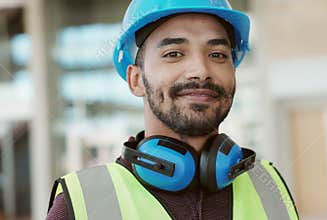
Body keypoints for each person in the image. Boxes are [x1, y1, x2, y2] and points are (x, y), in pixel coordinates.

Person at [47, 0, 299, 219]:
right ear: (136, 80)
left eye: (218, 55)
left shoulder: (271, 189)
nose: (200, 70)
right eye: (174, 53)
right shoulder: (81, 206)